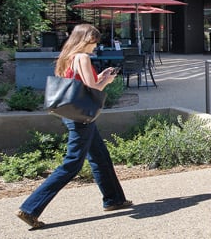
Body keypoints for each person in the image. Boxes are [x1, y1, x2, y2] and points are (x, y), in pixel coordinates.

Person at [17, 22, 132, 229]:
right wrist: (106, 80)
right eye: (94, 42)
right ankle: (30, 208)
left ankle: (114, 199)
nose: (95, 46)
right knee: (72, 164)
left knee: (100, 156)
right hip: (81, 118)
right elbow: (92, 89)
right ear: (86, 39)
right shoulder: (83, 57)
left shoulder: (68, 57)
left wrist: (100, 77)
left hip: (71, 113)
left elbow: (78, 84)